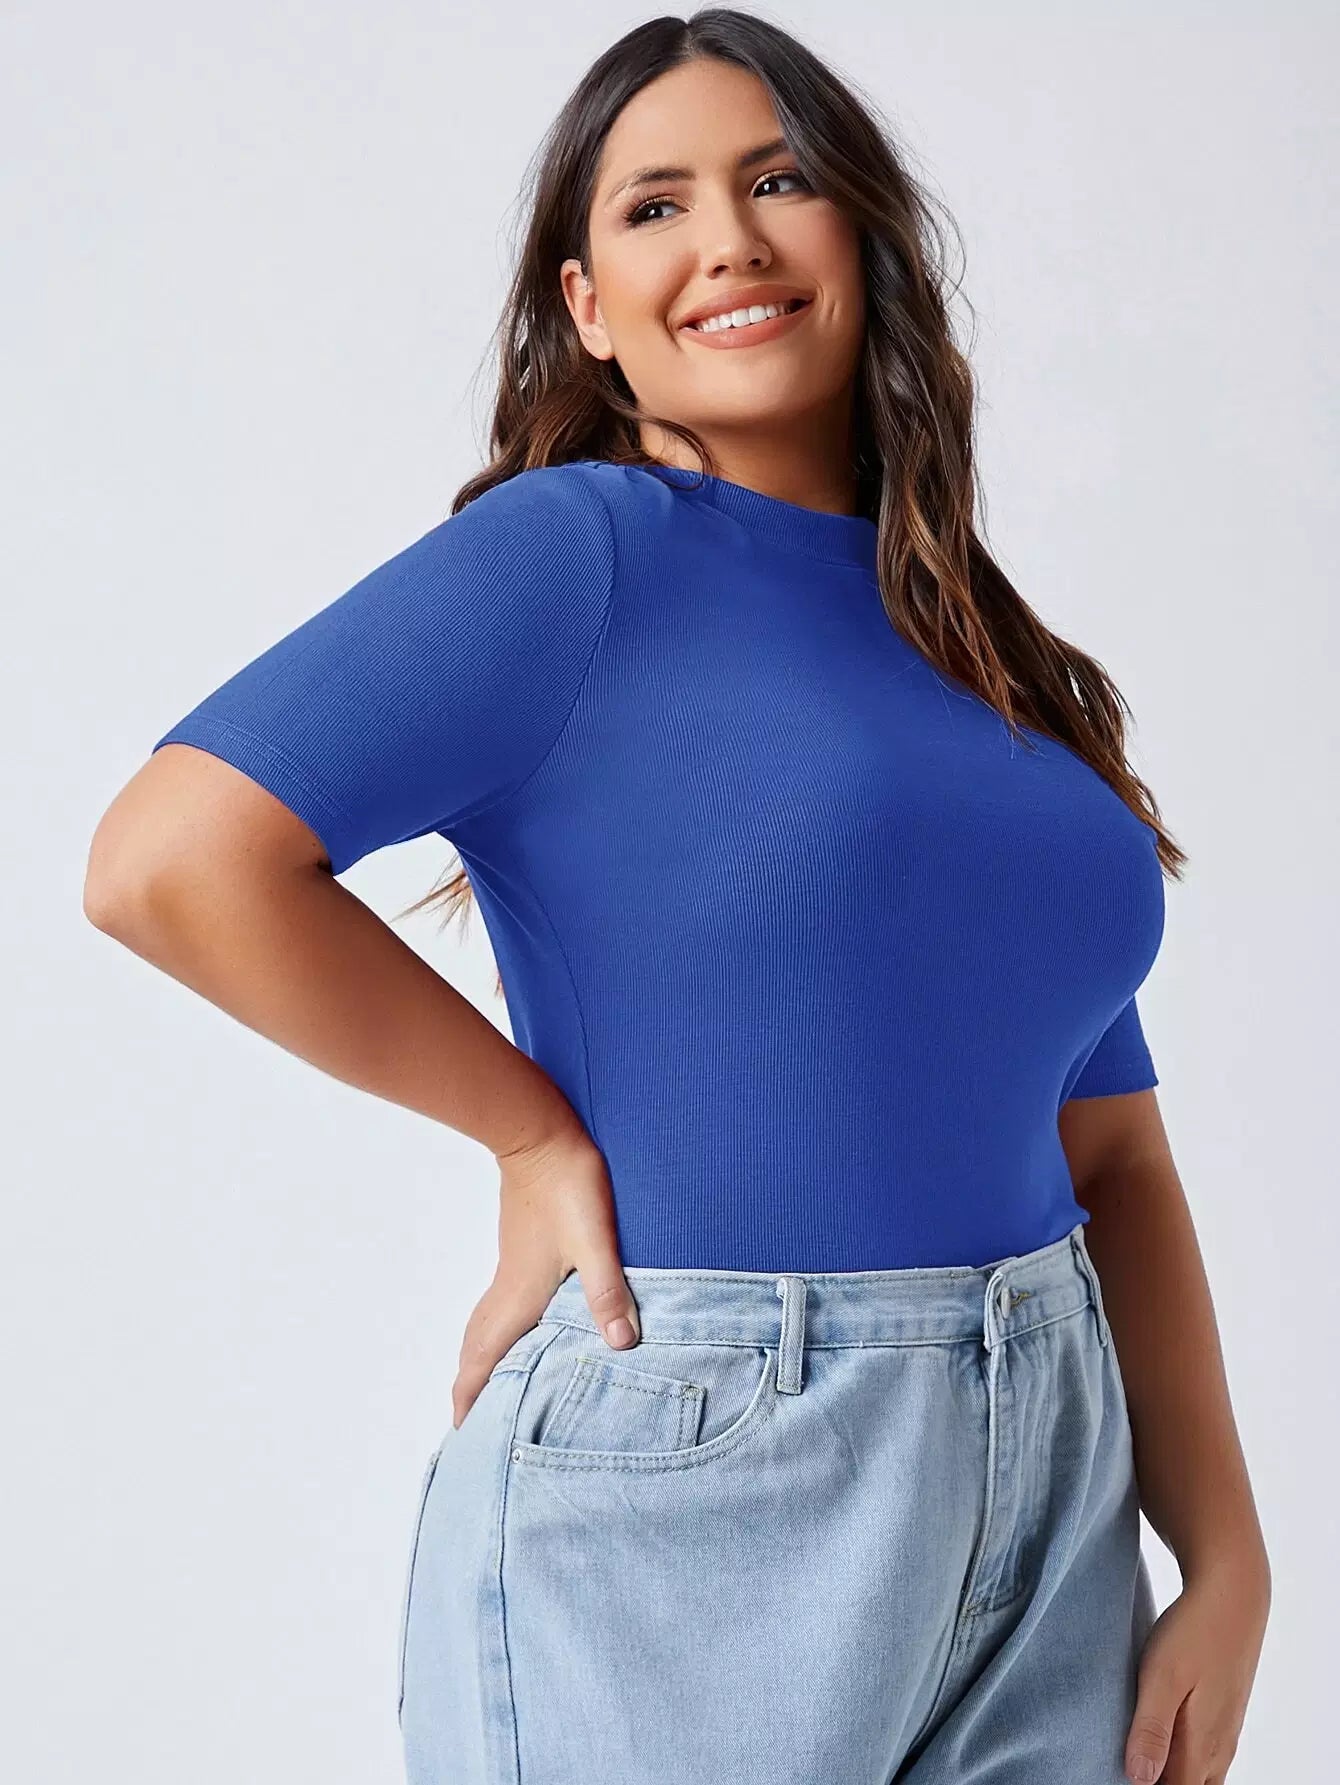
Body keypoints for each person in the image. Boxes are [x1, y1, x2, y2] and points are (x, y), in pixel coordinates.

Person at [84, 11, 1270, 1784]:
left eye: (778, 182)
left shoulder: (981, 648)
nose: (727, 239)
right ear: (586, 303)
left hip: (1053, 1478)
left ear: (860, 232)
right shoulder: (576, 556)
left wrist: (1227, 1552)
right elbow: (169, 860)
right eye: (656, 206)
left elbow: (1115, 1160)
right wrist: (526, 1134)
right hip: (698, 1479)